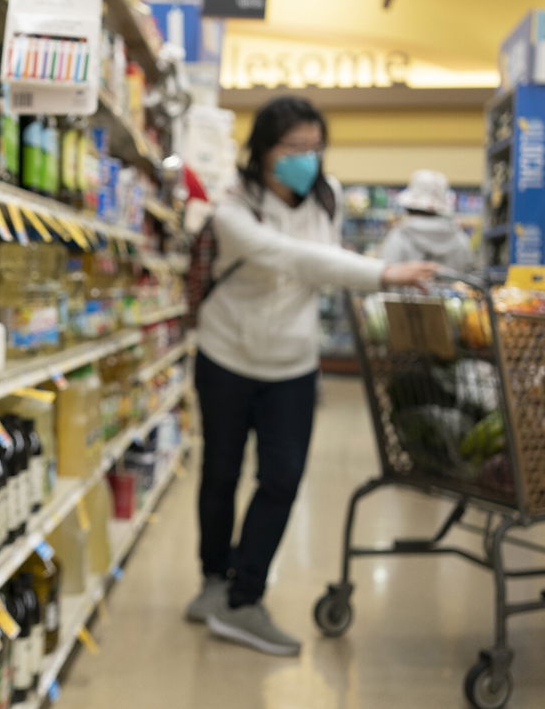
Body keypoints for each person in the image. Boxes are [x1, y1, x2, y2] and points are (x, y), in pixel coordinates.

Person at [185, 96, 436, 656]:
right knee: (220, 473)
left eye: (315, 148)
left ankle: (243, 599)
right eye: (293, 148)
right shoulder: (231, 209)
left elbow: (318, 263)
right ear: (263, 152)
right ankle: (212, 580)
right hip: (225, 357)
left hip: (292, 365)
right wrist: (381, 272)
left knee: (283, 477)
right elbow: (296, 259)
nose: (307, 159)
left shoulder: (329, 198)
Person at [381, 169, 474, 272]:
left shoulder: (398, 237)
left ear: (409, 207)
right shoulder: (460, 240)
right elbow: (466, 275)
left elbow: (387, 274)